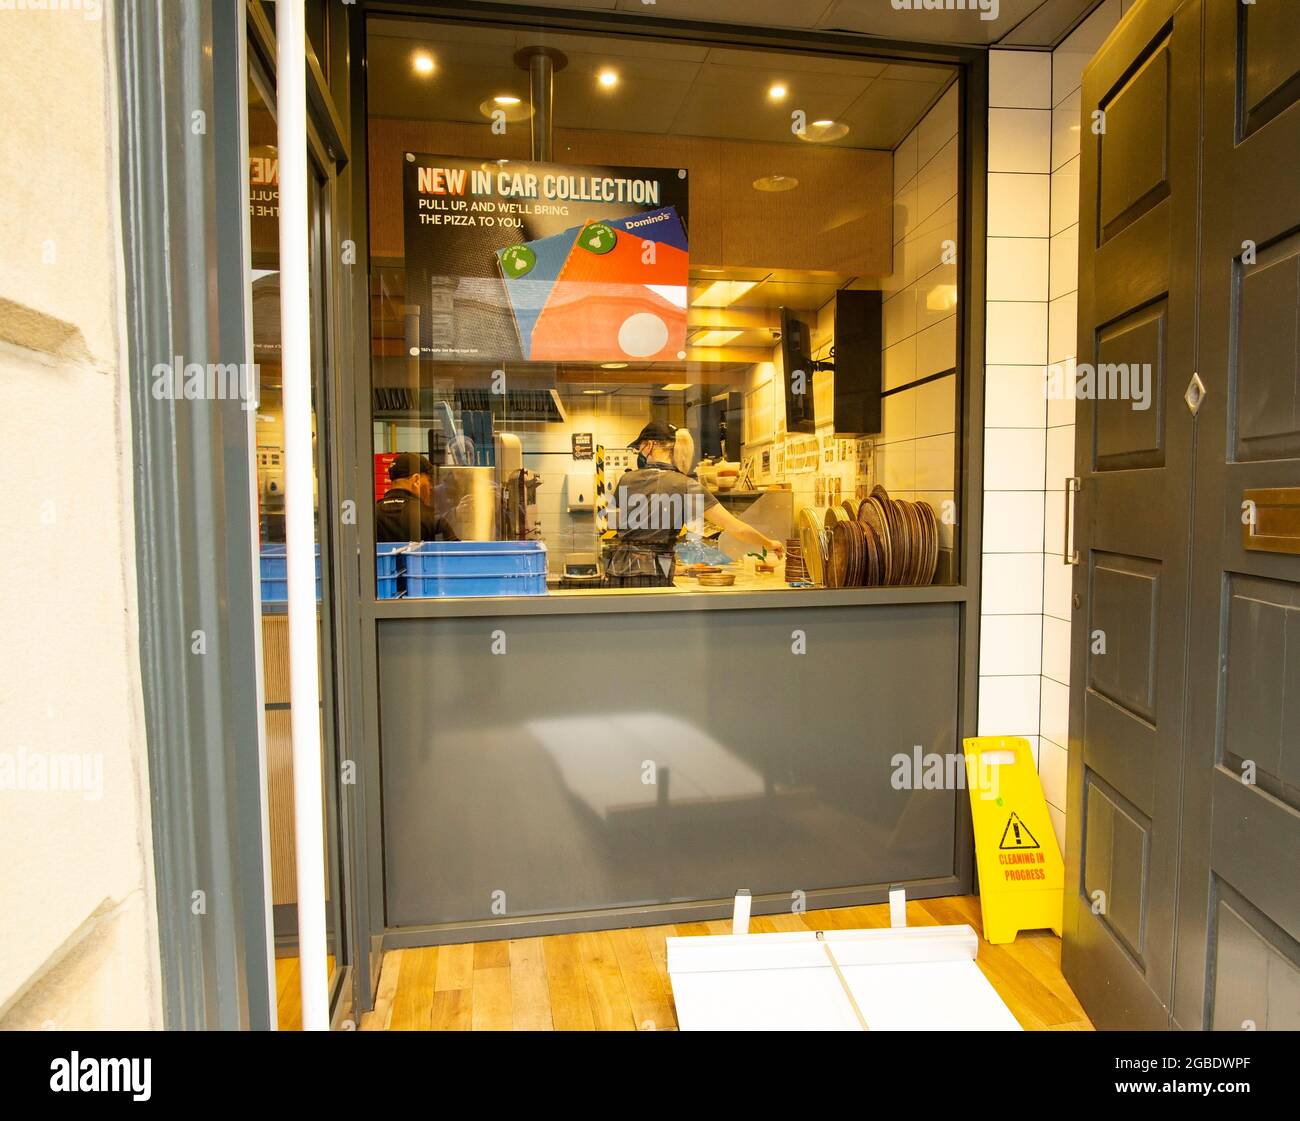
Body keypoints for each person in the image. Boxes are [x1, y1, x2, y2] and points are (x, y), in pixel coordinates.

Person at [605, 420, 783, 587]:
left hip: (618, 570)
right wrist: (769, 543)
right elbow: (735, 527)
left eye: (639, 448)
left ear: (650, 445)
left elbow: (613, 523)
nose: (639, 453)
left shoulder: (626, 479)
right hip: (654, 577)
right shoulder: (685, 484)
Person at [374, 452, 460, 543]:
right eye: (429, 480)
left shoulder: (371, 516)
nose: (430, 487)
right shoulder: (433, 520)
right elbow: (456, 555)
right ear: (416, 480)